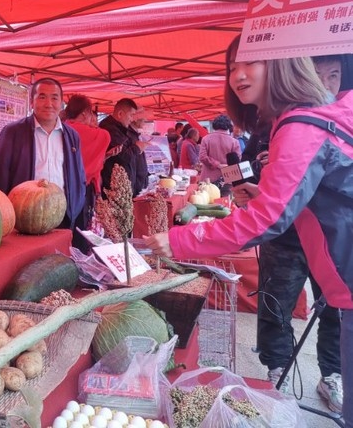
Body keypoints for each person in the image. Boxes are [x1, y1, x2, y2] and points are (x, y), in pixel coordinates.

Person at [144, 36, 353, 427]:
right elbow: (314, 194)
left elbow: (266, 220)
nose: (238, 76)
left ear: (282, 63)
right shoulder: (302, 117)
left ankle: (326, 375)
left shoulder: (300, 124)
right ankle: (285, 366)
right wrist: (266, 195)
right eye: (231, 67)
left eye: (250, 63)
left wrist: (179, 240)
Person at [0, 77, 86, 233]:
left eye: (54, 98)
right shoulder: (12, 132)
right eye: (42, 97)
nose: (49, 104)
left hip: (63, 216)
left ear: (61, 103)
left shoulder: (72, 135)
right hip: (25, 218)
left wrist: (75, 205)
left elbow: (79, 176)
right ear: (31, 102)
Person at [61, 94, 111, 245]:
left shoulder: (61, 129)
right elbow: (105, 137)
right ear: (84, 114)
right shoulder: (98, 134)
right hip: (82, 190)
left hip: (60, 189)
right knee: (80, 234)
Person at [99, 98, 143, 197]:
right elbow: (124, 156)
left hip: (122, 187)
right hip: (113, 188)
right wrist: (137, 147)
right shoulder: (109, 129)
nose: (132, 119)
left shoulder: (121, 128)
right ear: (120, 114)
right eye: (131, 115)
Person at [198, 114, 240, 184]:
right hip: (228, 178)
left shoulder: (206, 139)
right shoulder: (234, 142)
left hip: (208, 179)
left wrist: (218, 165)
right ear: (229, 126)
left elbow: (202, 157)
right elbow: (237, 161)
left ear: (214, 125)